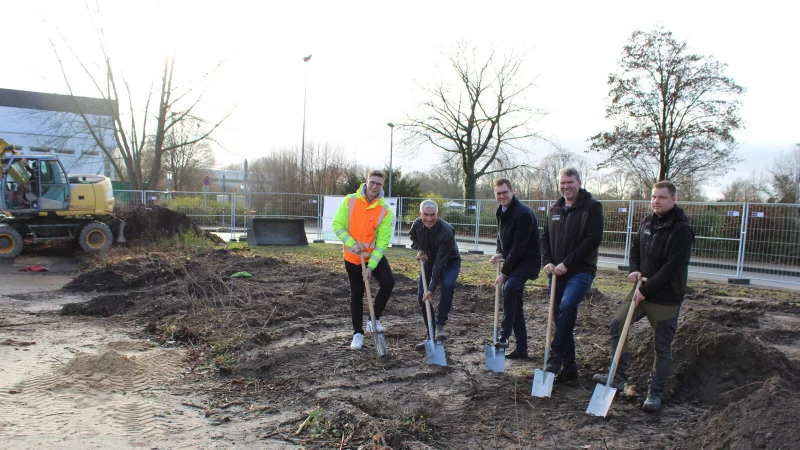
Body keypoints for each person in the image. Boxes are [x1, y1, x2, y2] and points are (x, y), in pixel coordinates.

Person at [593, 181, 694, 412]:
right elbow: (636, 248)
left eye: (661, 197)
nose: (656, 201)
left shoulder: (681, 229)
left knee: (662, 346)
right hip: (641, 288)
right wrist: (634, 270)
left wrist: (645, 291)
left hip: (666, 297)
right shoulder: (648, 221)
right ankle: (618, 375)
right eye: (653, 197)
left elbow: (672, 267)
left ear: (673, 199)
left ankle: (655, 392)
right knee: (618, 323)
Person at [541, 167, 604, 382]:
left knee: (567, 307)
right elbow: (545, 238)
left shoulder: (592, 207)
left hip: (581, 271)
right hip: (556, 273)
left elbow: (593, 240)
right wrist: (547, 261)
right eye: (563, 183)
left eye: (570, 182)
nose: (566, 186)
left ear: (579, 182)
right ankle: (570, 368)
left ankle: (556, 355)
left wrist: (567, 263)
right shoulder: (555, 208)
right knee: (561, 320)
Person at [333, 170, 396, 351]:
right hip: (353, 256)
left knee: (388, 282)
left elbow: (383, 241)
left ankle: (372, 320)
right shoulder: (350, 200)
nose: (375, 186)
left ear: (382, 186)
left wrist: (371, 266)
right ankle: (357, 333)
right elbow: (337, 224)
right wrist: (351, 243)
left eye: (379, 184)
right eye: (372, 182)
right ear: (366, 182)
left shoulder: (384, 210)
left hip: (372, 256)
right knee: (357, 293)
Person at [489, 178, 541, 358]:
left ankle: (504, 336)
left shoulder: (523, 214)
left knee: (509, 287)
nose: (502, 196)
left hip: (528, 261)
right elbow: (500, 237)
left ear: (512, 191)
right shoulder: (501, 211)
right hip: (514, 259)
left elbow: (519, 248)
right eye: (498, 193)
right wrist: (499, 252)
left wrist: (504, 273)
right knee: (515, 304)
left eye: (505, 192)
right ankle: (521, 349)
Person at [409, 199, 461, 349]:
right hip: (429, 259)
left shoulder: (446, 231)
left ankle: (440, 325)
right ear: (420, 214)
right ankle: (431, 333)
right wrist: (420, 249)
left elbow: (440, 263)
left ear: (437, 214)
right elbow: (413, 238)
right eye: (425, 215)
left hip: (449, 261)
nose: (429, 218)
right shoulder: (417, 224)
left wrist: (431, 288)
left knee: (447, 284)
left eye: (432, 215)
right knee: (422, 297)